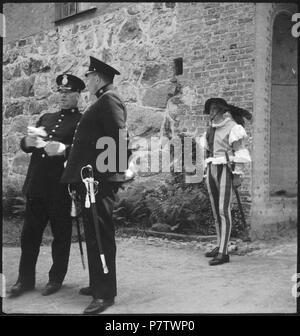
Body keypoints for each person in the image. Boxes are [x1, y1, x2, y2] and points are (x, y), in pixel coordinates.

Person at [61, 56, 132, 314]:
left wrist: (113, 176)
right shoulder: (101, 101)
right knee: (92, 235)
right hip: (90, 182)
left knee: (101, 237)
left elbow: (119, 138)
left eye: (88, 77)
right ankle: (96, 284)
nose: (87, 81)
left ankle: (104, 294)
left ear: (98, 78)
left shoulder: (109, 100)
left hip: (99, 182)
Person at [10, 74, 85, 297]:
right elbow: (27, 144)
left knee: (60, 237)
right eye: (60, 92)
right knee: (29, 236)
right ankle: (25, 280)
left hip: (60, 189)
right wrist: (27, 142)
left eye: (68, 93)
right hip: (36, 186)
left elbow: (81, 151)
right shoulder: (46, 118)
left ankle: (55, 279)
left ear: (78, 95)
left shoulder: (81, 121)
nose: (63, 97)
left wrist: (63, 148)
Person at [202, 98, 251, 266]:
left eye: (215, 108)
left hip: (226, 170)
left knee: (224, 211)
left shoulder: (233, 128)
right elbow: (208, 151)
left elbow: (240, 151)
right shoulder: (210, 129)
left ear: (222, 110)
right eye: (210, 108)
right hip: (212, 169)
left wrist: (238, 175)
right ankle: (219, 245)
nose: (211, 111)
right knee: (216, 211)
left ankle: (224, 253)